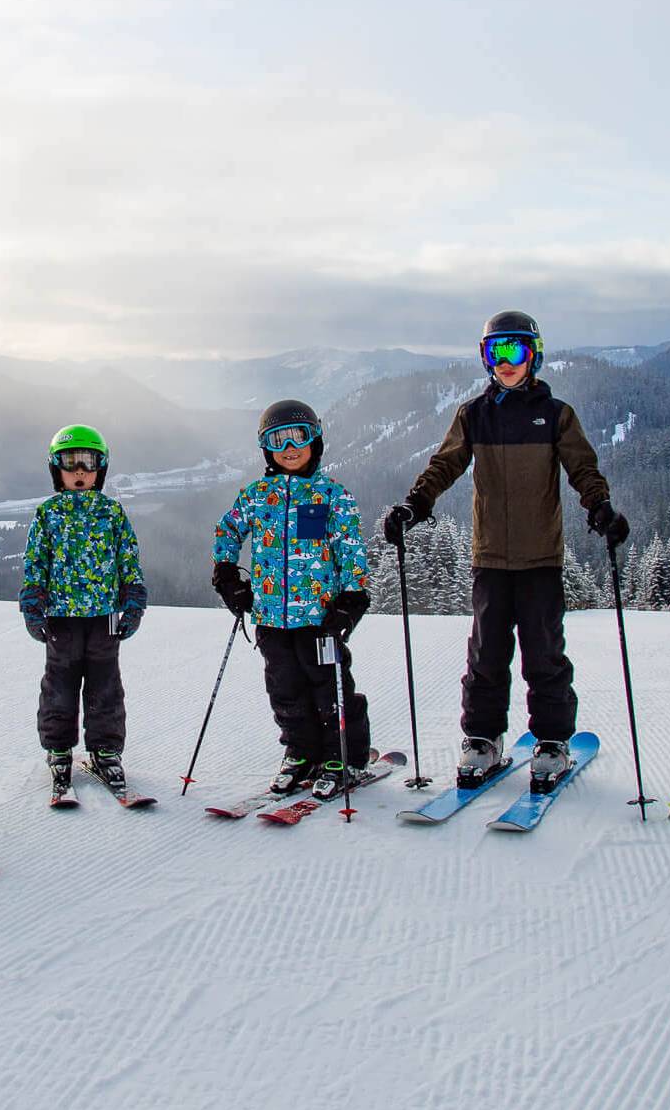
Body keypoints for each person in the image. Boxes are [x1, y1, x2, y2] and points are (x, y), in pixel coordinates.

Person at [383, 310, 628, 793]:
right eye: (497, 352)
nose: (506, 361)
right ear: (485, 358)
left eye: (515, 350)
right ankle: (482, 738)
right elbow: (445, 464)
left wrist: (600, 506)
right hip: (491, 557)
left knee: (544, 655)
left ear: (533, 355)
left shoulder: (556, 414)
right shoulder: (475, 414)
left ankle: (553, 741)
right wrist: (415, 505)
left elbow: (582, 467)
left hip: (540, 558)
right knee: (486, 655)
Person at [212, 399, 371, 798]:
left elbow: (351, 549)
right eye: (277, 440)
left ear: (315, 439)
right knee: (284, 688)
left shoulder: (331, 495)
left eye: (298, 437)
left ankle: (342, 756)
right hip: (270, 617)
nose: (289, 447)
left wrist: (352, 598)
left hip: (320, 617)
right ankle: (300, 752)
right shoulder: (257, 494)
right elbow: (228, 531)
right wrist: (227, 573)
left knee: (329, 687)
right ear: (266, 447)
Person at [18, 425, 148, 799]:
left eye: (87, 463)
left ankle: (106, 749)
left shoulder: (112, 512)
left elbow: (128, 558)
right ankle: (58, 748)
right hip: (61, 616)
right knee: (59, 685)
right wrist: (33, 600)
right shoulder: (48, 514)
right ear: (55, 468)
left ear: (100, 468)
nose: (79, 471)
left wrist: (134, 597)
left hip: (104, 615)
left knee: (105, 686)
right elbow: (35, 561)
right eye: (70, 463)